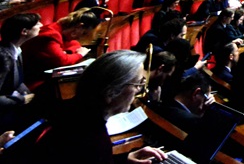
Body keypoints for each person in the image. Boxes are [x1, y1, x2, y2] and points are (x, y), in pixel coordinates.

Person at [33, 50, 167, 163]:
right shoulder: (92, 139)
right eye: (138, 84)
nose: (139, 90)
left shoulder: (72, 110)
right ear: (111, 92)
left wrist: (124, 158)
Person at [22, 9, 100, 90]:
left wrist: (66, 52)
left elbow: (76, 45)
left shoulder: (62, 30)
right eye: (84, 33)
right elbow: (61, 61)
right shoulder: (51, 35)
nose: (81, 37)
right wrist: (79, 54)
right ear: (79, 26)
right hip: (32, 79)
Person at [0, 13, 41, 129]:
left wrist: (30, 96)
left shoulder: (16, 49)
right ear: (24, 31)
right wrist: (21, 100)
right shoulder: (3, 57)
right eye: (37, 24)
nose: (41, 25)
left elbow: (18, 82)